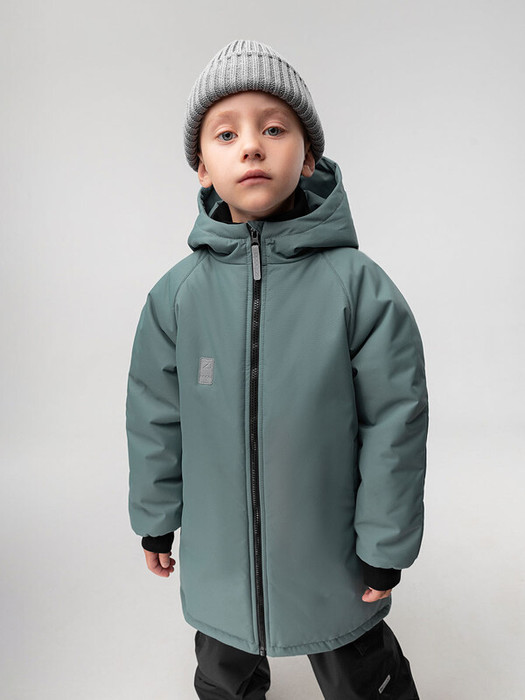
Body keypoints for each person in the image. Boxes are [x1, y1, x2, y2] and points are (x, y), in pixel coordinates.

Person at [126, 39, 429, 700]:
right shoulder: (176, 297)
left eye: (273, 129)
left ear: (308, 157)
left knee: (360, 672)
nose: (251, 147)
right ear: (202, 168)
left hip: (331, 560)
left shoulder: (359, 289)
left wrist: (384, 546)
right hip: (219, 563)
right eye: (226, 134)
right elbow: (155, 416)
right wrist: (155, 515)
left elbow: (395, 424)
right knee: (223, 673)